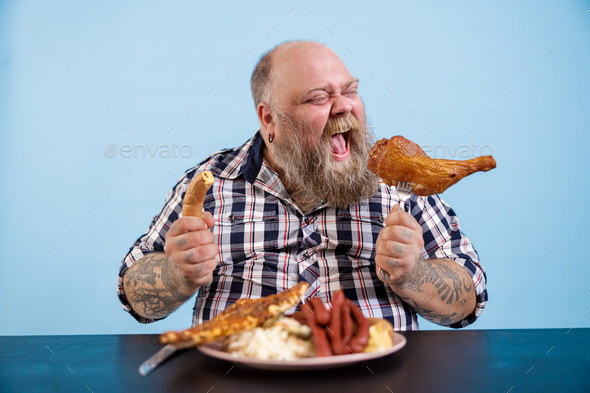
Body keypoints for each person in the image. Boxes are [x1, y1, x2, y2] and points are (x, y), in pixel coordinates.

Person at [118, 40, 487, 330]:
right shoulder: (210, 184)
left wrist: (413, 274)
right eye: (319, 98)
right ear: (270, 120)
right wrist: (175, 273)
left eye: (350, 91)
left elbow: (468, 302)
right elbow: (134, 296)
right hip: (240, 376)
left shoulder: (397, 183)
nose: (343, 107)